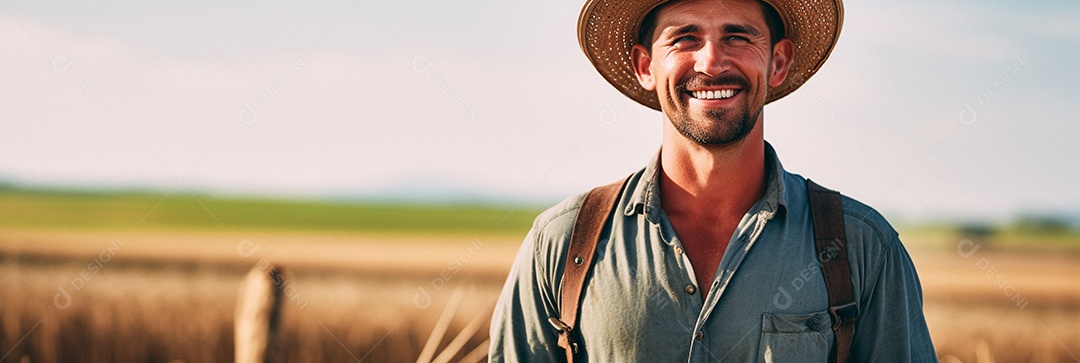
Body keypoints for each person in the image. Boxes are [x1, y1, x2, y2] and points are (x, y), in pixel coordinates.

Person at [489, 0, 937, 361]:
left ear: (778, 62)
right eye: (685, 37)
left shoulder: (860, 245)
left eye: (737, 36)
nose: (712, 61)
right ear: (645, 66)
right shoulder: (564, 243)